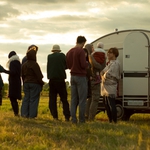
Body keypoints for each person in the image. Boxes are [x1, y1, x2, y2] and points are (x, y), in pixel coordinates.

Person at [66, 36, 88, 124]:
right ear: (82, 43)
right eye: (84, 44)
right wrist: (87, 64)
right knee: (82, 99)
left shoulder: (69, 51)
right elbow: (83, 65)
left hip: (72, 76)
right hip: (81, 76)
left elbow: (68, 65)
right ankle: (82, 119)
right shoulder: (81, 51)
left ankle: (73, 119)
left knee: (73, 99)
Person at [47, 44, 70, 121]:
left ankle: (55, 116)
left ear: (53, 51)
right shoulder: (62, 56)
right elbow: (67, 65)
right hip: (61, 80)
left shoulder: (49, 57)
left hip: (52, 80)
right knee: (64, 99)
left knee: (52, 99)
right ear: (59, 50)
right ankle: (67, 116)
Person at [21, 45, 44, 118]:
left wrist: (24, 83)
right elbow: (39, 75)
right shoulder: (35, 64)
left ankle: (24, 114)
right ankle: (32, 115)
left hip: (26, 83)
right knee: (33, 100)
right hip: (34, 84)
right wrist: (41, 83)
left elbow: (22, 76)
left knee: (26, 99)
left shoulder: (24, 65)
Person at [85, 44, 106, 121]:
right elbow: (101, 67)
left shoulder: (87, 56)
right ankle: (91, 118)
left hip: (88, 80)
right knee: (95, 99)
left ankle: (86, 115)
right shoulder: (94, 56)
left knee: (89, 99)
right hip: (95, 80)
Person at [101, 47, 121, 123]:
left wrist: (104, 74)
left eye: (110, 52)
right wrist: (103, 73)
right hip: (105, 85)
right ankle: (110, 120)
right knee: (106, 103)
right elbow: (103, 71)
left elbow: (108, 74)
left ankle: (114, 120)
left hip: (111, 85)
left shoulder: (116, 63)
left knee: (111, 103)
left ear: (115, 54)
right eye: (108, 52)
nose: (108, 54)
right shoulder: (110, 63)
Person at [4, 51, 21, 116]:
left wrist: (5, 71)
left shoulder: (12, 62)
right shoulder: (18, 62)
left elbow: (13, 72)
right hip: (18, 81)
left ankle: (16, 113)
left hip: (13, 82)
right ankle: (16, 113)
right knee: (15, 98)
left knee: (12, 98)